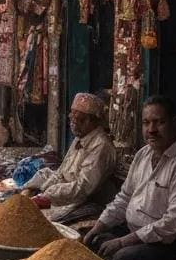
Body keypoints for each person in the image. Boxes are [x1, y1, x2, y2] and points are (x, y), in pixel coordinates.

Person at [84, 95, 176, 260]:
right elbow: (124, 197)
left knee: (122, 258)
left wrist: (122, 242)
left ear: (175, 123)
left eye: (159, 122)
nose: (151, 130)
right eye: (146, 123)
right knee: (94, 240)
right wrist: (98, 227)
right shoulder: (143, 154)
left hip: (175, 242)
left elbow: (174, 223)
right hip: (137, 230)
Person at [23, 93, 118, 222]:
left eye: (80, 119)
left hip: (81, 202)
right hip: (62, 194)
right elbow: (62, 172)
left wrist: (47, 195)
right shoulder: (80, 137)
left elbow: (82, 188)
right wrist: (34, 189)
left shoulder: (101, 146)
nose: (73, 122)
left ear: (93, 121)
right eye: (72, 116)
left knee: (34, 221)